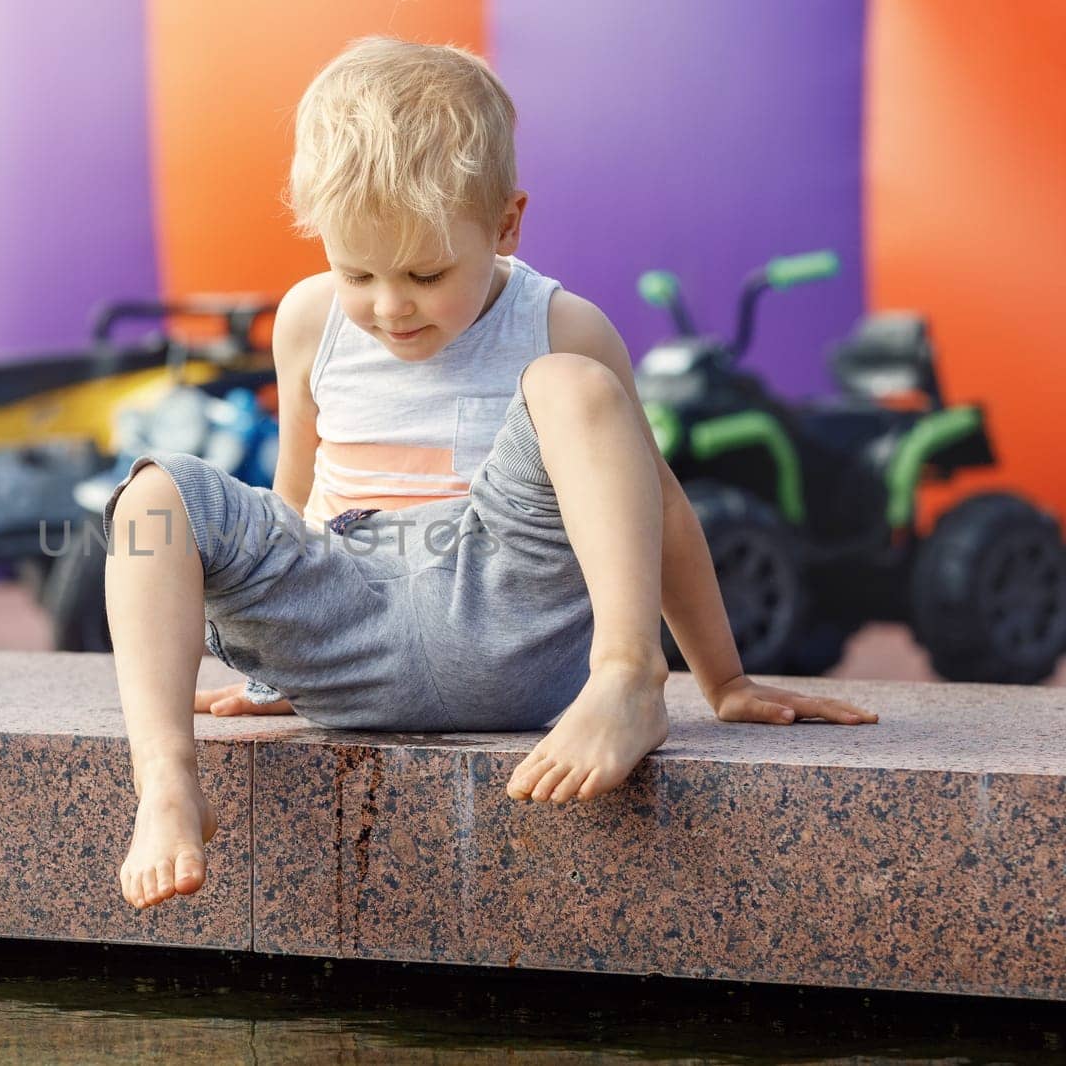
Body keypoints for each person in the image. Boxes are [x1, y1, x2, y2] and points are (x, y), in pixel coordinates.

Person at [104, 37, 877, 911]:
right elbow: (295, 495)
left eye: (425, 274)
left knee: (572, 388)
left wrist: (724, 680)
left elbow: (655, 501)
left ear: (506, 224)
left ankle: (626, 676)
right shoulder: (309, 319)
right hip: (348, 632)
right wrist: (276, 661)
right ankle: (167, 786)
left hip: (503, 618)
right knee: (153, 496)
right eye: (357, 270)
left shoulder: (562, 324)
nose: (390, 306)